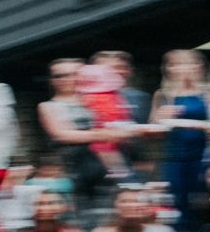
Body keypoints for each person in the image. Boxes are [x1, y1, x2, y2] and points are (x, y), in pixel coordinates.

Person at [37, 58, 156, 216]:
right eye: (60, 75)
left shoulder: (104, 97)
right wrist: (108, 134)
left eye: (75, 74)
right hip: (80, 178)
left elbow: (126, 125)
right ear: (52, 80)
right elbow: (62, 134)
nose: (68, 79)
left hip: (117, 174)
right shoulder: (49, 106)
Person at [151, 49, 210, 232]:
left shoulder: (209, 92)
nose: (181, 69)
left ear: (198, 67)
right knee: (179, 207)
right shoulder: (163, 95)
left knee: (206, 204)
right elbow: (153, 131)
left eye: (186, 63)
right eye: (174, 64)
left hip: (204, 157)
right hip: (176, 158)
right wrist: (161, 117)